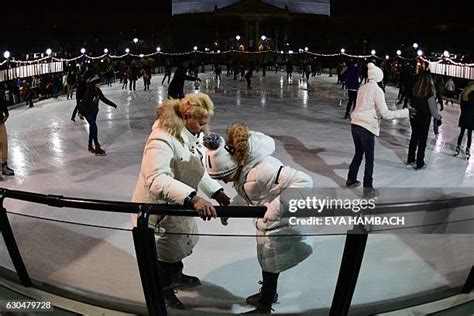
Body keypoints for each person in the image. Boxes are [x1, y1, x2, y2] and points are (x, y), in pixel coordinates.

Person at [131, 92, 230, 309]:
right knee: (166, 252)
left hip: (178, 203)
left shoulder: (192, 136)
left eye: (207, 119)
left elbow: (195, 168)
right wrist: (193, 198)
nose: (205, 125)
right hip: (158, 209)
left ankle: (176, 274)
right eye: (200, 120)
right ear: (185, 116)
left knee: (177, 247)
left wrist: (216, 192)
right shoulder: (161, 139)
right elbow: (156, 179)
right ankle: (163, 289)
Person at [203, 123, 313, 314]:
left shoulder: (263, 170)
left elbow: (304, 181)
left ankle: (265, 306)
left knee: (271, 265)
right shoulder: (245, 171)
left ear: (233, 165)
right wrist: (231, 209)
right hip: (268, 226)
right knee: (268, 263)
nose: (224, 181)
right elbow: (252, 195)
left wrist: (273, 210)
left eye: (224, 176)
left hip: (281, 225)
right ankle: (268, 294)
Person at [346, 63, 412, 197]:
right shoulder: (377, 90)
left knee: (359, 153)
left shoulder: (362, 88)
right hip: (366, 127)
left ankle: (351, 178)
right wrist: (405, 112)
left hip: (355, 124)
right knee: (369, 159)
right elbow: (386, 114)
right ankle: (368, 189)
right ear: (379, 77)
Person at [406, 71, 442, 170]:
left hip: (414, 117)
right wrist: (438, 117)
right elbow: (433, 110)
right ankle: (420, 162)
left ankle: (410, 159)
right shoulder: (429, 94)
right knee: (422, 141)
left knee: (414, 137)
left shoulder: (414, 91)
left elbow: (410, 103)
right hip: (424, 119)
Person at [78, 75, 118, 155]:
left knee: (92, 128)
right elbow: (84, 103)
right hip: (87, 112)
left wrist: (113, 104)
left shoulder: (98, 91)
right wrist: (81, 113)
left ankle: (90, 145)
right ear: (95, 83)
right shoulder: (89, 91)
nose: (100, 84)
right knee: (94, 127)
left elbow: (104, 99)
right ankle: (96, 146)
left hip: (94, 112)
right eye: (99, 82)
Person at [454, 81, 474, 160]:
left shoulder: (464, 94)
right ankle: (468, 149)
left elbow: (461, 107)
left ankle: (458, 146)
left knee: (462, 132)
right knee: (469, 134)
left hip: (464, 116)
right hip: (472, 117)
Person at [0, 94, 15, 179]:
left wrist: (5, 115)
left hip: (0, 123)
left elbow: (3, 106)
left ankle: (4, 166)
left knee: (3, 144)